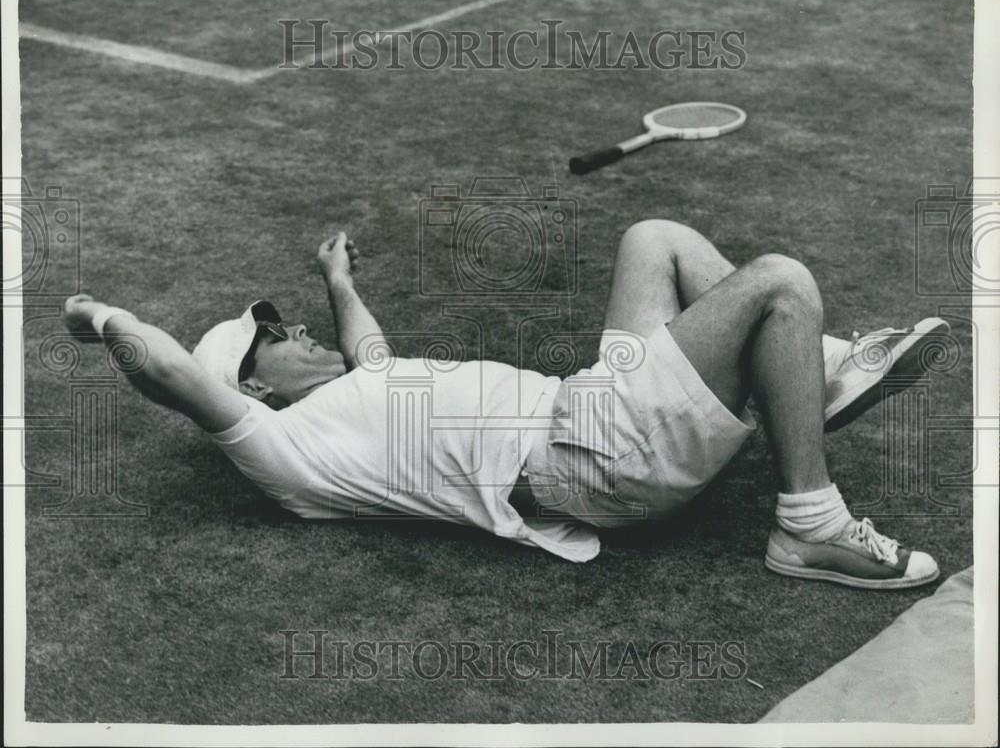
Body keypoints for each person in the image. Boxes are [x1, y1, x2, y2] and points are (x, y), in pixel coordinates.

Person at [63, 220, 948, 588]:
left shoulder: (362, 388)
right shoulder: (284, 447)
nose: (297, 332)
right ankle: (809, 519)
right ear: (251, 385)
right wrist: (100, 315)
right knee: (781, 285)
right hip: (590, 456)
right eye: (277, 337)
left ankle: (816, 377)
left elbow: (369, 345)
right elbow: (174, 375)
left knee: (655, 241)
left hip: (591, 412)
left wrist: (336, 279)